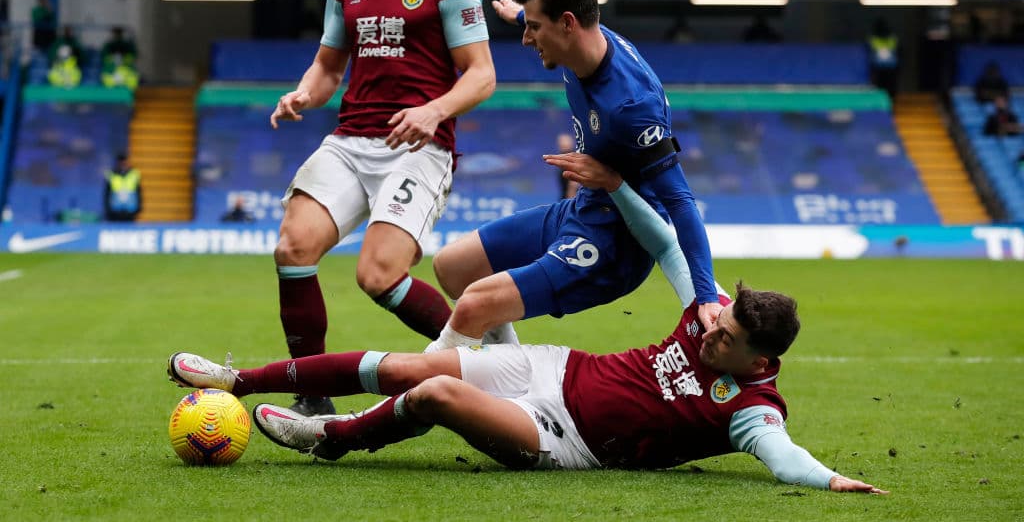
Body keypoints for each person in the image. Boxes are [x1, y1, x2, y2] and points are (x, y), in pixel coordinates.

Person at [167, 155, 886, 495]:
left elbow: (783, 457)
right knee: (407, 367)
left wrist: (830, 480)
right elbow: (668, 242)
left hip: (564, 440)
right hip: (556, 368)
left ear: (760, 361)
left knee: (436, 397)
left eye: (725, 339)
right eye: (717, 319)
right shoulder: (707, 315)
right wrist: (615, 186)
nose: (708, 334)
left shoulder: (753, 409)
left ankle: (329, 439)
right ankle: (238, 377)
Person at [267, 0, 496, 416]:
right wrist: (301, 95)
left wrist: (433, 111)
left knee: (378, 274)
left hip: (420, 147)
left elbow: (482, 73)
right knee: (292, 250)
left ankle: (482, 366)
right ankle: (313, 396)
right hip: (350, 141)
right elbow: (327, 67)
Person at [426, 0, 719, 354]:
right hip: (583, 210)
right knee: (453, 269)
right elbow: (555, 24)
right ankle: (509, 376)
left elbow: (680, 201)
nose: (527, 40)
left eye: (534, 27)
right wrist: (518, 15)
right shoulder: (586, 41)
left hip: (616, 243)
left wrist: (706, 297)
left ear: (566, 24)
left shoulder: (631, 106)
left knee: (475, 303)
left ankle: (412, 397)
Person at [103, 153, 142, 222]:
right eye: (121, 162)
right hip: (115, 211)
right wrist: (108, 209)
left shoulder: (134, 174)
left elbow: (139, 192)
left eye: (124, 162)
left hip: (130, 210)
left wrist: (138, 208)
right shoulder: (111, 175)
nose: (123, 164)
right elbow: (107, 194)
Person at [867, 18, 899, 99]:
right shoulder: (873, 39)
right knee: (881, 86)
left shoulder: (892, 39)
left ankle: (890, 100)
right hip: (879, 68)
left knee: (889, 86)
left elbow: (899, 52)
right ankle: (883, 100)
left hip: (889, 68)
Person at [100, 26, 139, 91]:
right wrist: (112, 59)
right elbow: (104, 56)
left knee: (131, 78)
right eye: (116, 33)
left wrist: (125, 59)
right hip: (111, 91)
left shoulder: (127, 45)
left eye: (119, 33)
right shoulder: (109, 45)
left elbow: (133, 83)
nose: (117, 35)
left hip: (127, 92)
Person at [47, 25, 83, 89]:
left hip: (70, 94)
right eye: (66, 30)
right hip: (57, 93)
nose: (67, 32)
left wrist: (68, 83)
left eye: (69, 30)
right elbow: (52, 77)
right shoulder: (54, 68)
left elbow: (76, 79)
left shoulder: (76, 69)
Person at [555, 132, 578, 199]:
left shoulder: (571, 159)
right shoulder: (563, 158)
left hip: (570, 200)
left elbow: (573, 184)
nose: (561, 144)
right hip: (565, 198)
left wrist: (570, 202)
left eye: (564, 141)